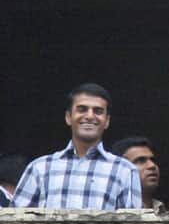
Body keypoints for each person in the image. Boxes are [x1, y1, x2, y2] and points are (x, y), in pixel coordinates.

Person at [13, 83, 141, 209]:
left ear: (107, 121)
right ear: (68, 117)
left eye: (98, 111)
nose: (90, 116)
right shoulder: (40, 168)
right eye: (82, 109)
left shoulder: (125, 171)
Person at [110, 136, 163, 209]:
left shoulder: (165, 212)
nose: (152, 165)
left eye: (153, 160)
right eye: (141, 161)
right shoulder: (108, 211)